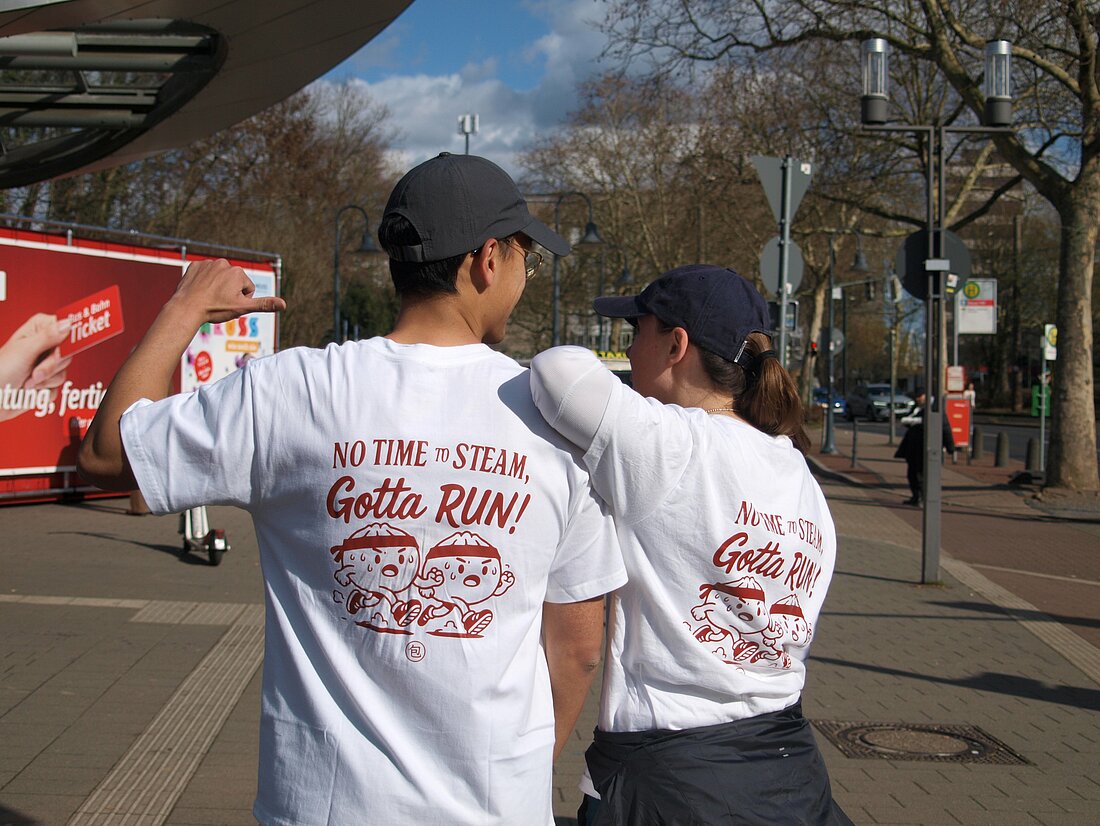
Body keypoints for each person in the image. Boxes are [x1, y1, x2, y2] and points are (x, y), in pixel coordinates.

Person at [79, 152, 626, 825]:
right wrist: (520, 776)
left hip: (322, 806)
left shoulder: (293, 392)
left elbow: (108, 454)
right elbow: (578, 649)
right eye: (525, 260)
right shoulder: (559, 422)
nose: (524, 277)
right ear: (488, 260)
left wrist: (185, 307)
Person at [529, 264, 852, 825]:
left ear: (676, 344)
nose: (628, 352)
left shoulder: (672, 443)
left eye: (636, 332)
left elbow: (557, 370)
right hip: (787, 766)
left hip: (672, 781)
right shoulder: (797, 471)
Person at [895, 389, 956, 506]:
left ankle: (923, 498)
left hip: (926, 447)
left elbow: (945, 427)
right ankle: (916, 496)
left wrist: (950, 446)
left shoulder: (934, 409)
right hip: (913, 447)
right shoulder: (918, 408)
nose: (917, 399)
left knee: (922, 474)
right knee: (912, 473)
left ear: (925, 396)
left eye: (919, 396)